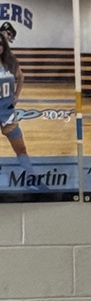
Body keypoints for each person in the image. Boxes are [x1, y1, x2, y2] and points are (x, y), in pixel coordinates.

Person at [0, 21, 37, 184]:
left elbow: (21, 77)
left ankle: (31, 176)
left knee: (21, 148)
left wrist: (16, 95)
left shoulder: (10, 62)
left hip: (7, 111)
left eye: (1, 44)